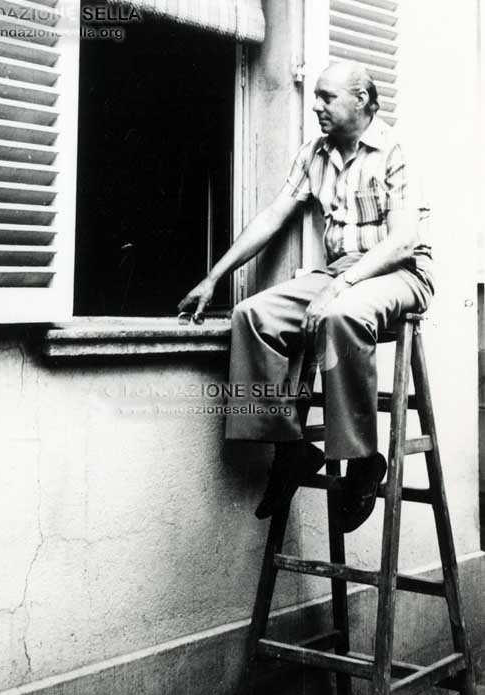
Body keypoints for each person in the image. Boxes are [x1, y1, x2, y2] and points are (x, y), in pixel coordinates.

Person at [178, 61, 434, 531]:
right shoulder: (314, 153)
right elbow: (272, 217)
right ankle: (290, 449)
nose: (315, 106)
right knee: (251, 316)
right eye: (315, 95)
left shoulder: (394, 149)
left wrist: (339, 286)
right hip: (339, 272)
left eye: (326, 97)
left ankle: (364, 462)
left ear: (361, 100)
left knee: (341, 314)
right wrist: (214, 277)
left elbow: (402, 241)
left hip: (400, 272)